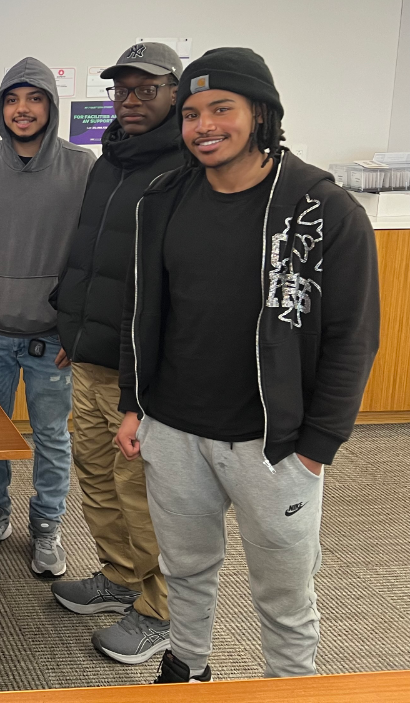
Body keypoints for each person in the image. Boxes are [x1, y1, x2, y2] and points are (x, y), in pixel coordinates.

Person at [116, 48, 380, 684]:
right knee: (185, 568)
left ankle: (289, 686)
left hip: (275, 443)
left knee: (285, 591)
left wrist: (318, 444)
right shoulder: (164, 199)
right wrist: (134, 402)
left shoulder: (322, 211)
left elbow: (353, 336)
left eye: (221, 109)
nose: (203, 125)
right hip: (174, 429)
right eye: (190, 113)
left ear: (260, 114)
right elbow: (144, 309)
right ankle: (188, 667)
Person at [51, 43, 185, 665]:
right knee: (97, 477)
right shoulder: (109, 161)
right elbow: (90, 254)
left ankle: (161, 609)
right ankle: (119, 577)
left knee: (142, 491)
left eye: (145, 90)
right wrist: (70, 329)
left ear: (174, 93)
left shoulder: (185, 167)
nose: (131, 101)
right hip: (91, 353)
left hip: (140, 368)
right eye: (122, 90)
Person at [0, 58, 94, 576]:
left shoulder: (83, 168)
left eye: (33, 99)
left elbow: (94, 258)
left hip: (53, 337)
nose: (22, 109)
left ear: (50, 106)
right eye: (12, 99)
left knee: (53, 437)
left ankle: (48, 527)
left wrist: (76, 329)